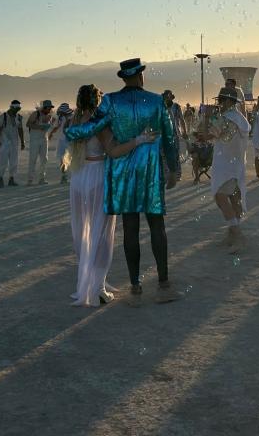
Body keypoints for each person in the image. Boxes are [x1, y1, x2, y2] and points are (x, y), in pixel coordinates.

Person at [65, 58, 182, 305]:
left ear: (123, 78)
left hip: (123, 173)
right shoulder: (156, 101)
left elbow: (91, 128)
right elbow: (171, 138)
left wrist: (72, 131)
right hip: (150, 172)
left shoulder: (110, 101)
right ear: (141, 76)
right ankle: (163, 284)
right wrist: (174, 169)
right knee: (156, 226)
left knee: (130, 228)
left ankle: (136, 286)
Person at [66, 84, 157, 307]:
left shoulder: (75, 121)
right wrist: (138, 140)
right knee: (102, 232)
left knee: (83, 231)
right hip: (97, 176)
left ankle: (87, 282)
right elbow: (113, 150)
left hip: (79, 177)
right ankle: (97, 288)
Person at [206, 86, 251, 253]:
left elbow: (209, 135)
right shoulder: (241, 119)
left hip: (225, 165)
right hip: (237, 164)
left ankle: (237, 234)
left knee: (220, 196)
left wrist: (207, 118)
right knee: (234, 198)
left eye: (220, 101)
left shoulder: (225, 118)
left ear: (226, 101)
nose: (219, 104)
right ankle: (232, 235)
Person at [0, 100, 24, 188]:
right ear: (12, 107)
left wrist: (22, 141)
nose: (17, 110)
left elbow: (20, 129)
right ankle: (0, 179)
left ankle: (12, 179)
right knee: (2, 161)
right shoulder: (3, 117)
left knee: (14, 161)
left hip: (14, 142)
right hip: (4, 142)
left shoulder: (18, 117)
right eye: (16, 108)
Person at [26, 100, 56, 185]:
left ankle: (42, 178)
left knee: (44, 159)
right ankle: (30, 179)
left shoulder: (49, 116)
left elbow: (51, 126)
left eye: (51, 108)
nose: (50, 109)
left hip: (44, 139)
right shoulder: (36, 114)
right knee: (33, 159)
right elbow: (28, 124)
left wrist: (51, 123)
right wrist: (39, 127)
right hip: (35, 139)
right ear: (44, 107)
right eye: (49, 108)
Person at [51, 103, 74, 184]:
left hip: (69, 140)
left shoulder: (72, 118)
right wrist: (51, 133)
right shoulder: (60, 118)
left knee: (69, 158)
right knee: (62, 158)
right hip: (62, 140)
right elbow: (56, 127)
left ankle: (69, 176)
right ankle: (64, 176)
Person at [163, 90, 188, 162]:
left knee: (175, 152)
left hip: (176, 133)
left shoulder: (176, 107)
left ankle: (175, 168)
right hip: (165, 134)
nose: (167, 98)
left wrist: (184, 132)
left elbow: (182, 120)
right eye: (166, 97)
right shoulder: (162, 107)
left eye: (168, 97)